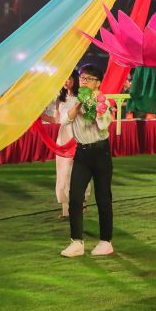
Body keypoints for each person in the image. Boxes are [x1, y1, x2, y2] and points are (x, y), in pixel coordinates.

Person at [60, 65, 114, 257]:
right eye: (82, 78)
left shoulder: (103, 101)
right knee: (74, 197)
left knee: (103, 199)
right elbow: (64, 120)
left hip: (101, 152)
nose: (84, 81)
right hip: (82, 153)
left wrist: (95, 106)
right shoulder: (73, 100)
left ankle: (106, 241)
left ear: (98, 83)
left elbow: (103, 124)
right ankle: (76, 242)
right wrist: (79, 104)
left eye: (89, 78)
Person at [54, 72, 90, 221]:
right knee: (63, 172)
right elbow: (56, 120)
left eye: (68, 78)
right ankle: (66, 209)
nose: (65, 81)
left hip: (77, 136)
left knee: (76, 170)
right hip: (63, 138)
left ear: (75, 80)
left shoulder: (81, 98)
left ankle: (81, 203)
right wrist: (38, 118)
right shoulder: (60, 99)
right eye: (63, 78)